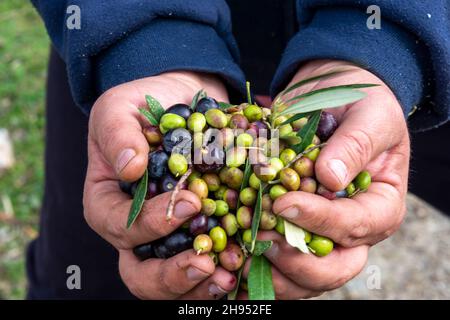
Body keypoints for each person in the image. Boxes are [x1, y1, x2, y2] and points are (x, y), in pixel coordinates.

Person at [27, 0, 449, 299]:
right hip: (129, 43)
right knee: (96, 269)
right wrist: (145, 42)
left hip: (415, 35)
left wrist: (383, 40)